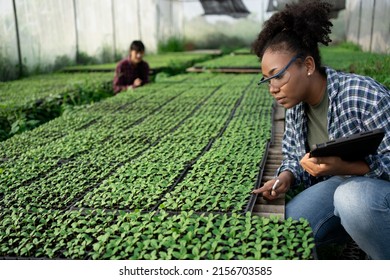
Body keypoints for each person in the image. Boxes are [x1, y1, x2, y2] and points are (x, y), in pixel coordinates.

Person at [251, 0, 390, 259]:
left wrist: (348, 168)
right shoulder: (295, 109)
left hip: (374, 188)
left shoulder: (361, 94)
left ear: (308, 66)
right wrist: (287, 178)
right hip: (340, 186)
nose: (273, 88)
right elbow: (296, 159)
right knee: (289, 229)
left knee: (352, 198)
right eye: (267, 80)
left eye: (278, 75)